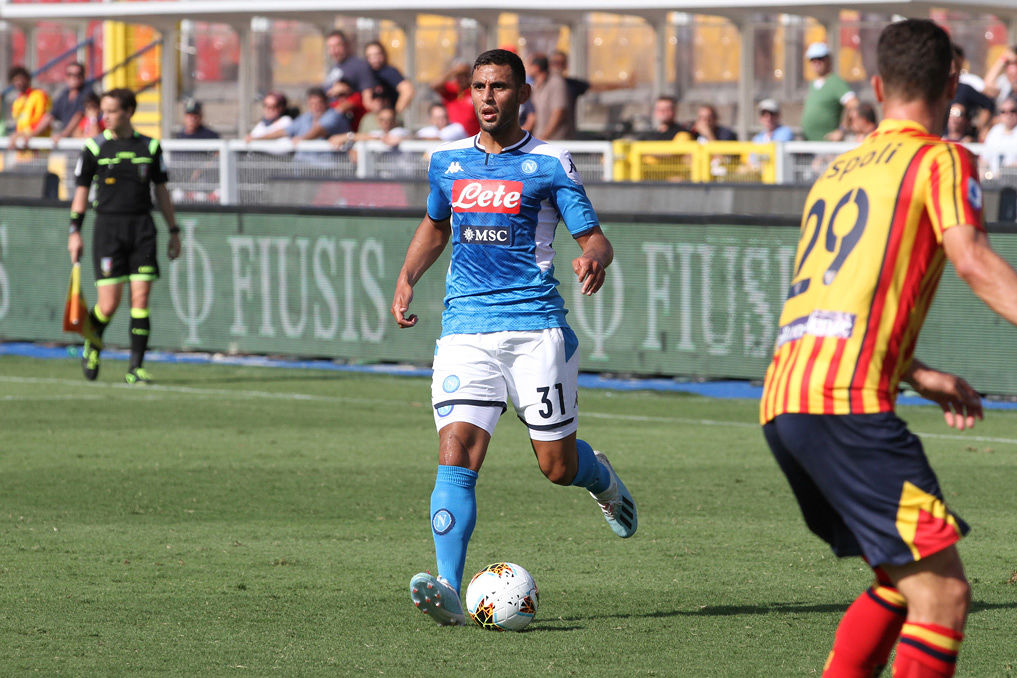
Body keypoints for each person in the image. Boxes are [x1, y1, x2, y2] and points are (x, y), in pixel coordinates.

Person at [760, 19, 1017, 677]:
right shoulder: (940, 159)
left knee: (900, 582)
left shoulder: (835, 171)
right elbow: (973, 259)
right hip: (844, 406)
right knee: (943, 596)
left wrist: (918, 373)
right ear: (952, 84)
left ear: (876, 87)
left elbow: (835, 302)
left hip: (786, 400)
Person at [392, 48, 637, 627]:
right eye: (479, 86)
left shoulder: (550, 163)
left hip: (534, 330)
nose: (488, 97)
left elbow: (594, 238)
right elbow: (436, 224)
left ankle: (602, 479)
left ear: (523, 94)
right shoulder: (447, 162)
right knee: (456, 450)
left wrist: (594, 259)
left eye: (499, 86)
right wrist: (407, 277)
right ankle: (448, 586)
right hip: (465, 329)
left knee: (556, 466)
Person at [67, 88, 182, 385]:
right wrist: (74, 231)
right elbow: (81, 192)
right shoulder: (94, 148)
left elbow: (161, 191)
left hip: (142, 229)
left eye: (111, 111)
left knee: (140, 299)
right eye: (103, 111)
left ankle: (135, 368)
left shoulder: (150, 147)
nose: (104, 117)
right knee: (108, 304)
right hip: (108, 230)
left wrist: (173, 230)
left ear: (128, 112)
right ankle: (92, 343)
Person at [801, 42, 858, 141]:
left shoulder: (835, 82)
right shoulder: (812, 84)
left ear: (828, 60)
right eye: (812, 59)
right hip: (809, 143)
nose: (816, 62)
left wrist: (842, 130)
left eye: (820, 58)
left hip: (827, 145)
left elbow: (854, 105)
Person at [323, 30, 379, 114]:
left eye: (337, 46)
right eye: (330, 47)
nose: (333, 51)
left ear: (346, 45)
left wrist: (347, 91)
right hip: (327, 111)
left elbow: (368, 100)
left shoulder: (359, 66)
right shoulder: (334, 67)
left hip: (345, 115)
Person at [524, 52, 572, 140]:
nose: (525, 68)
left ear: (536, 68)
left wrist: (545, 136)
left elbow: (559, 112)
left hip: (556, 141)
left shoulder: (556, 82)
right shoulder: (534, 85)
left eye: (528, 65)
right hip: (539, 140)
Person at [43, 62, 90, 144]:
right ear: (66, 77)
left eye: (78, 74)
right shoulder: (64, 94)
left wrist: (63, 135)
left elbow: (79, 115)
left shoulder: (88, 94)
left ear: (83, 76)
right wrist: (31, 134)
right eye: (70, 74)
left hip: (81, 142)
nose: (74, 77)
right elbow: (50, 116)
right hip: (68, 141)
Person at [431, 60, 480, 137]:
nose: (463, 78)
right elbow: (434, 85)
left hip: (472, 137)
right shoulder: (450, 89)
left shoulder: (475, 90)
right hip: (452, 137)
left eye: (465, 74)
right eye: (459, 75)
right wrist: (453, 71)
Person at [364, 41, 414, 115]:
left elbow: (408, 91)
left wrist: (395, 113)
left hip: (388, 117)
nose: (374, 58)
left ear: (383, 55)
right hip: (373, 116)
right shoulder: (366, 73)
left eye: (377, 54)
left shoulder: (389, 72)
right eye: (370, 56)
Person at [7, 65, 51, 149]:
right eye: (15, 80)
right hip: (23, 148)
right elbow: (19, 125)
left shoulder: (39, 95)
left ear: (27, 79)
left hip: (38, 147)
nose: (18, 82)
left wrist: (25, 134)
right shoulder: (17, 101)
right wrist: (18, 135)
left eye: (20, 79)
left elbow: (41, 120)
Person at [549, 50, 590, 136]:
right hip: (545, 135)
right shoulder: (540, 84)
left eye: (561, 63)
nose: (558, 66)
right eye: (555, 63)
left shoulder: (572, 84)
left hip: (564, 135)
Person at [981, 95, 1017, 177]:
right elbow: (984, 159)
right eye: (1003, 111)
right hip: (993, 179)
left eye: (1013, 111)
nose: (1008, 115)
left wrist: (1006, 171)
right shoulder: (994, 131)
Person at [981, 44, 1017, 109]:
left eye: (1015, 63)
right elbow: (988, 86)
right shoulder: (1004, 81)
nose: (1012, 69)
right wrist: (1002, 59)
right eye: (1008, 63)